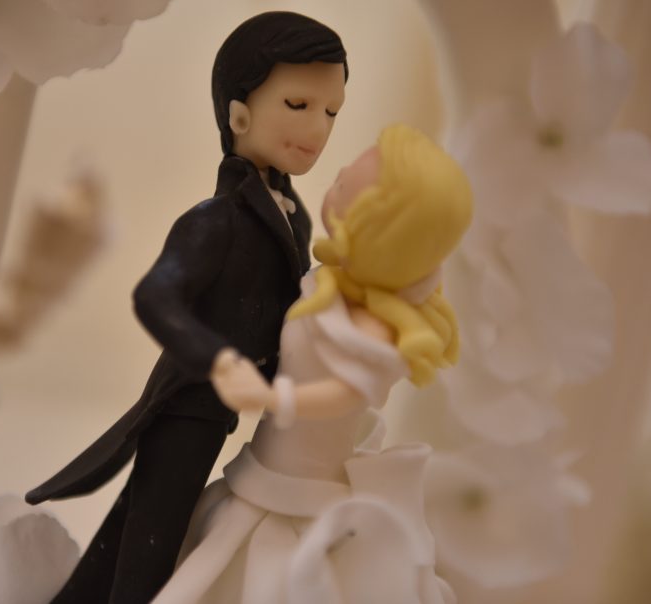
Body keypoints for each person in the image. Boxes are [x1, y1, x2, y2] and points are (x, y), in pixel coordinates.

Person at [25, 11, 348, 604]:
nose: (318, 127)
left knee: (134, 527)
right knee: (154, 543)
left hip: (232, 410)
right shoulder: (216, 220)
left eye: (332, 112)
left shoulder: (294, 214)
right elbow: (155, 296)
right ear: (239, 114)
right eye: (298, 105)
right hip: (188, 407)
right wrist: (219, 361)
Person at [152, 124, 473, 604]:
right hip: (265, 466)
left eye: (344, 185)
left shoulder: (373, 330)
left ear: (376, 226)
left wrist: (270, 396)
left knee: (264, 575)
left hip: (299, 490)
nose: (335, 175)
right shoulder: (333, 283)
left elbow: (344, 393)